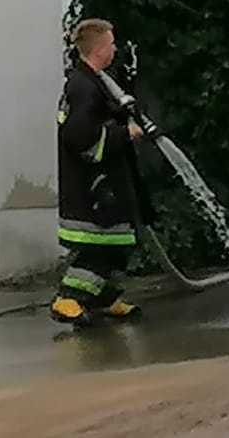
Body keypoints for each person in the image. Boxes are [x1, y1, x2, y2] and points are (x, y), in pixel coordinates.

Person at [53, 18, 146, 325]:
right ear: (100, 48)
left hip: (107, 184)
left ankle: (104, 299)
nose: (115, 48)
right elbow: (79, 135)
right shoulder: (82, 87)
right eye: (112, 43)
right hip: (94, 188)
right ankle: (69, 299)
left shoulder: (96, 81)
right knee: (99, 250)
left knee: (119, 246)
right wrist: (124, 133)